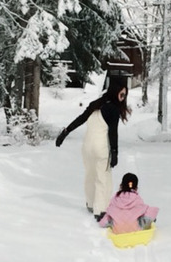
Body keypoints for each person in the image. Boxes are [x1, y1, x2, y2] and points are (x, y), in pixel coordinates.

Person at [55, 75, 130, 220]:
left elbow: (80, 120)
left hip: (87, 148)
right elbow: (113, 133)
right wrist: (114, 152)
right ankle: (100, 210)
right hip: (100, 148)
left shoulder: (95, 104)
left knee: (90, 175)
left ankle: (90, 203)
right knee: (103, 177)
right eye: (122, 94)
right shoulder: (113, 109)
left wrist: (65, 132)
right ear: (115, 91)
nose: (123, 97)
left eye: (125, 95)